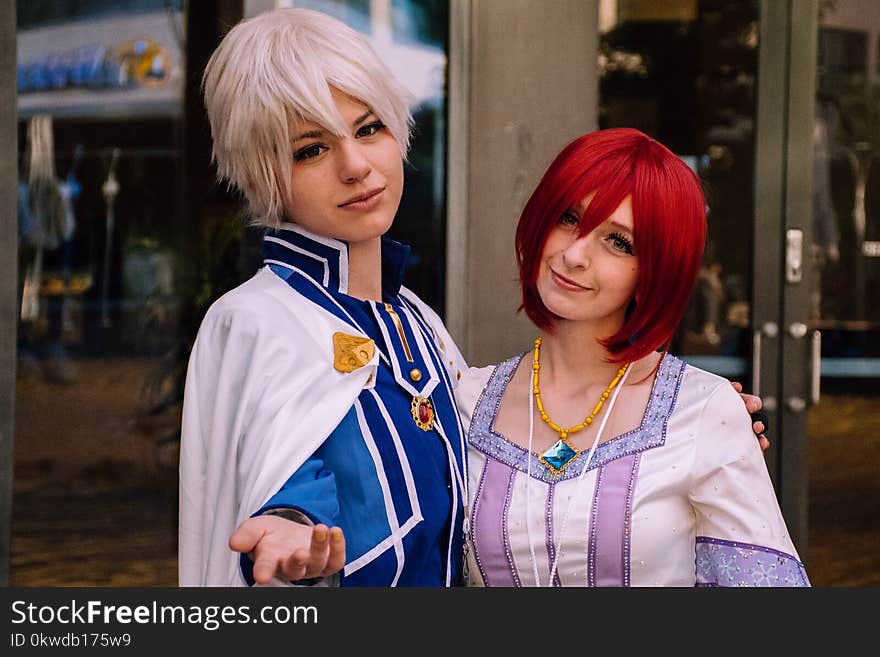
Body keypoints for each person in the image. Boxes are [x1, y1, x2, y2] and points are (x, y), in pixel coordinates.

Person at [179, 8, 767, 588]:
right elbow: (284, 473)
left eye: (369, 129)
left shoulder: (418, 323)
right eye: (310, 149)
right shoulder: (254, 320)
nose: (356, 166)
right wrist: (292, 522)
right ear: (261, 175)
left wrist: (695, 417)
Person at [456, 128, 809, 587]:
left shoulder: (702, 410)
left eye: (618, 242)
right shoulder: (465, 399)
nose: (574, 253)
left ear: (655, 271)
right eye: (567, 217)